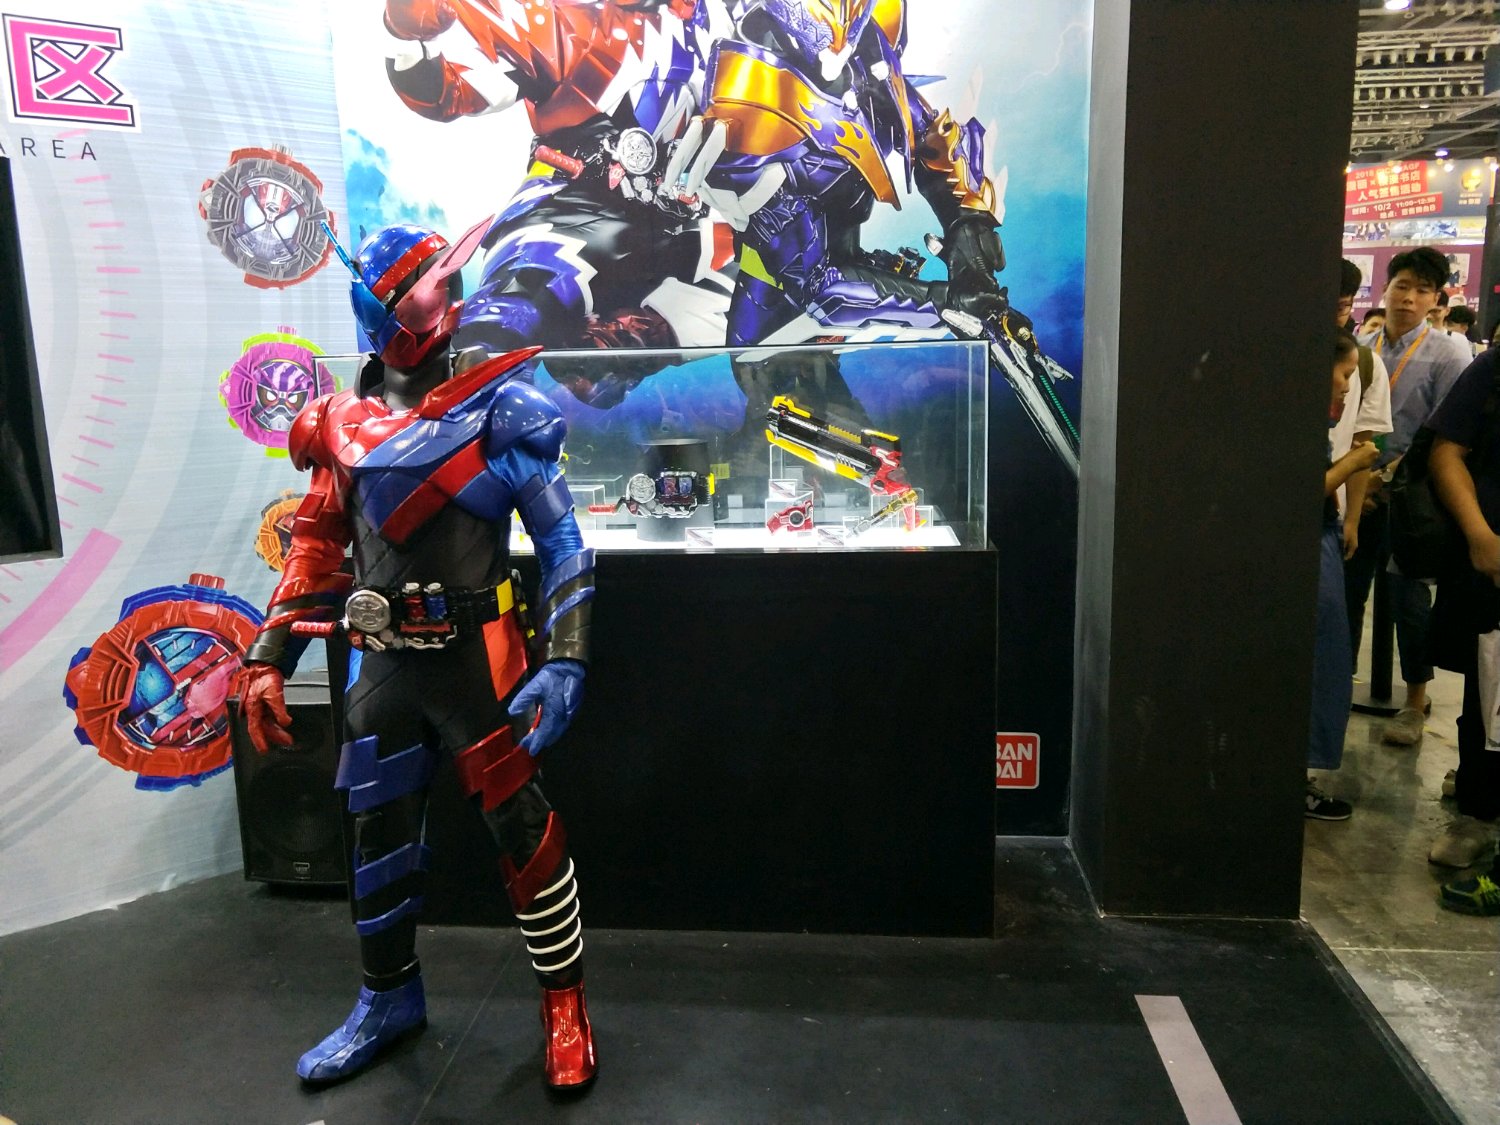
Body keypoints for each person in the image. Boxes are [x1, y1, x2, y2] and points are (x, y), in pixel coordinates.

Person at [234, 222, 600, 1087]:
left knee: (521, 827)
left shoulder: (499, 407)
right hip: (383, 666)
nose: (431, 295)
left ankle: (565, 1005)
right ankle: (387, 996)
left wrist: (567, 656)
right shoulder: (339, 423)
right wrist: (268, 652)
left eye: (431, 279)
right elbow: (315, 546)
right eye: (413, 282)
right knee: (377, 834)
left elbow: (564, 543)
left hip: (481, 664)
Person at [1353, 247, 1469, 746]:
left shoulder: (1449, 355)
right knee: (1348, 590)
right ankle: (1336, 684)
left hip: (1412, 495)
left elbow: (1442, 434)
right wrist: (1359, 479)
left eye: (1422, 290)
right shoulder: (1363, 347)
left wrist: (1386, 477)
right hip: (1357, 488)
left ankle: (1415, 702)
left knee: (1409, 598)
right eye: (1402, 286)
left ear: (1436, 300)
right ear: (1386, 288)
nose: (1409, 298)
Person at [1425, 351, 1500, 913]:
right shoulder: (1494, 369)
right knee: (1487, 693)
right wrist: (1479, 534)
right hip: (1493, 562)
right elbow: (1446, 451)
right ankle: (1478, 812)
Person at [1311, 333, 1381, 819]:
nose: (1346, 386)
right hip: (1310, 541)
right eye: (1344, 375)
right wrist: (1354, 463)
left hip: (1325, 534)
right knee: (1319, 661)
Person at [1333, 261, 1392, 569]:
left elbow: (1362, 449)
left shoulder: (1367, 366)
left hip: (1332, 515)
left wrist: (1352, 520)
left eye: (1341, 307)